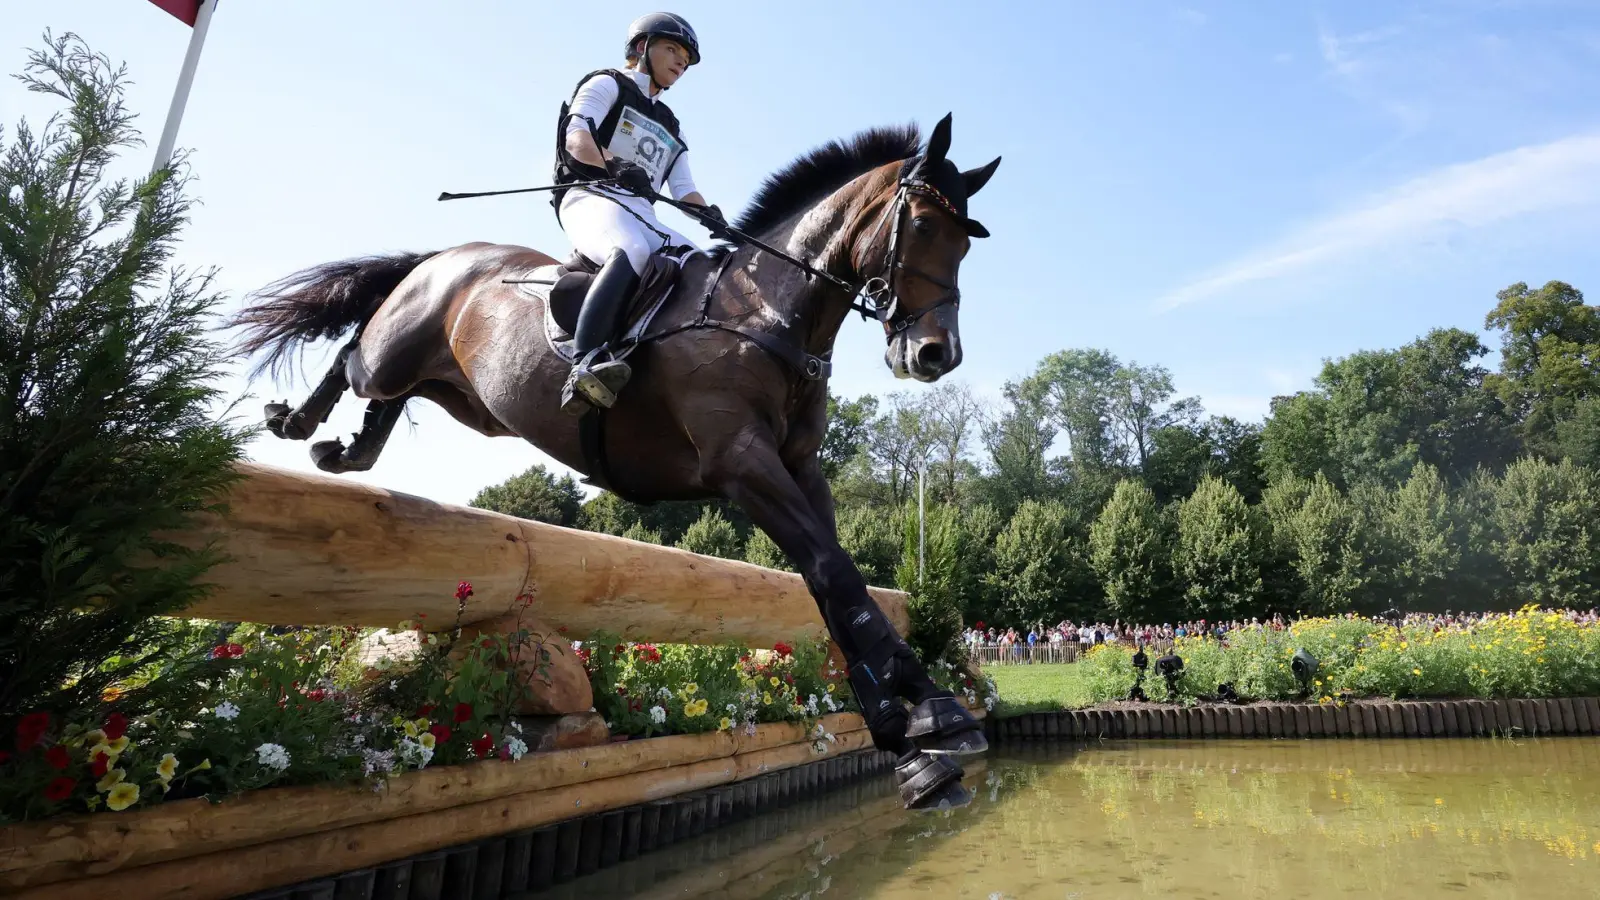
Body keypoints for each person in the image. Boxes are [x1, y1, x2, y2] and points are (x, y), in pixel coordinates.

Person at [551, 12, 729, 414]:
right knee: (629, 249)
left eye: (686, 58)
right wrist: (613, 164)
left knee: (701, 264)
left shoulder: (673, 126)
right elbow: (576, 138)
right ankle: (585, 364)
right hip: (589, 195)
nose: (681, 62)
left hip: (640, 210)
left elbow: (683, 190)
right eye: (673, 49)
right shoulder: (606, 83)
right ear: (640, 48)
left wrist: (711, 216)